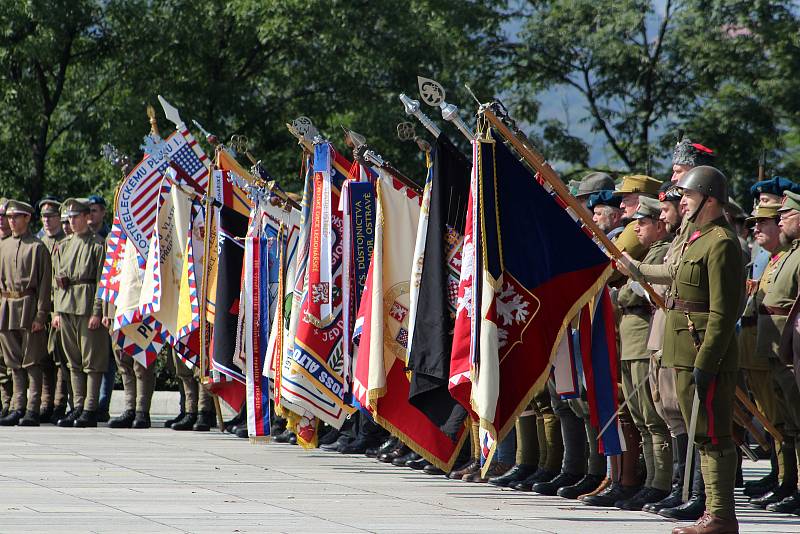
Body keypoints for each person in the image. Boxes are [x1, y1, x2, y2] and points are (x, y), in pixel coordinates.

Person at [664, 166, 743, 534]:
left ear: (709, 199)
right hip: (683, 349)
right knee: (702, 435)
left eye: (689, 196)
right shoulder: (697, 239)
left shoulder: (722, 242)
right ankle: (713, 513)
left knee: (714, 434)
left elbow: (724, 312)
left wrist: (707, 360)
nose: (682, 201)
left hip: (703, 352)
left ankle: (721, 516)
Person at [614, 196, 674, 511]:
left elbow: (632, 292)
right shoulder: (647, 253)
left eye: (644, 222)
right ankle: (650, 480)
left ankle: (659, 482)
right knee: (639, 418)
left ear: (660, 226)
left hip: (643, 340)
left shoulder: (661, 252)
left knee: (653, 418)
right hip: (634, 340)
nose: (637, 227)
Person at [748, 190, 800, 514]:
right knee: (788, 425)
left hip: (792, 352)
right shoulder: (788, 253)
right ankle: (789, 484)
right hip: (778, 352)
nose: (781, 220)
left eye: (786, 215)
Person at [51, 198, 108, 428]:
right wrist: (56, 311)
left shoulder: (97, 245)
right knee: (73, 362)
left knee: (92, 361)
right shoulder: (63, 245)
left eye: (76, 217)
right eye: (69, 217)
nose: (72, 221)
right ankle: (77, 406)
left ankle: (90, 408)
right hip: (66, 307)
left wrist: (97, 311)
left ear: (87, 217)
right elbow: (57, 282)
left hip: (86, 307)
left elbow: (102, 282)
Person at [0, 201, 52, 426]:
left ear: (27, 218)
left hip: (29, 305)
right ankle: (16, 406)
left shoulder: (37, 247)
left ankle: (32, 408)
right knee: (13, 362)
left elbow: (44, 284)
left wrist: (41, 314)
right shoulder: (4, 246)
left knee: (31, 360)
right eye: (10, 217)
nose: (11, 221)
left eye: (16, 217)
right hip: (7, 306)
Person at [37, 198, 71, 423]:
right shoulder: (39, 242)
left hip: (59, 306)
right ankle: (45, 401)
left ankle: (59, 402)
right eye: (44, 217)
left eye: (51, 216)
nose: (47, 220)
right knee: (42, 358)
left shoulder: (66, 242)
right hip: (42, 306)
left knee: (60, 357)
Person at [0, 199, 12, 416]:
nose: (2, 221)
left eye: (5, 216)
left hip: (11, 307)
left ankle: (11, 404)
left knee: (11, 360)